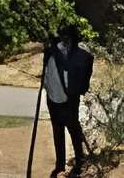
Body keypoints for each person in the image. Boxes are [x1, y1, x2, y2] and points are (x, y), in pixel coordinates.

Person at [40, 23, 96, 173]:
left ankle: (80, 161)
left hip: (69, 100)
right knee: (58, 132)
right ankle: (60, 165)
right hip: (53, 99)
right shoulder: (52, 52)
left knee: (73, 130)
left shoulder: (79, 57)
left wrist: (55, 51)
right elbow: (47, 75)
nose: (63, 42)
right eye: (61, 38)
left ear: (72, 40)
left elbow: (67, 67)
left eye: (66, 38)